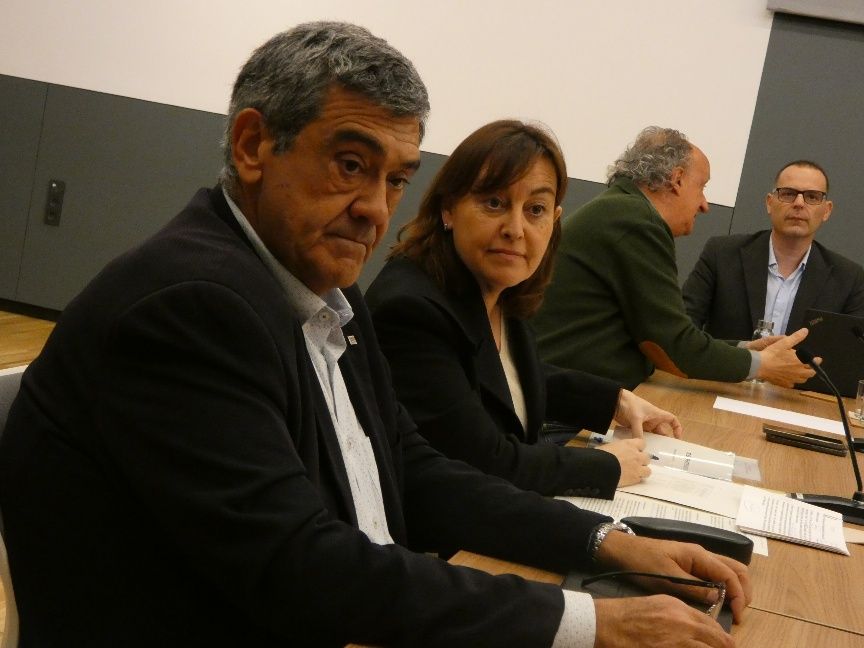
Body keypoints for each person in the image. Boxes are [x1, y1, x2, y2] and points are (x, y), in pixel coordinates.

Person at [0, 25, 749, 648]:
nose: (375, 208)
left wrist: (608, 544)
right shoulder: (190, 305)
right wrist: (595, 623)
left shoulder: (328, 291)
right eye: (350, 165)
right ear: (254, 145)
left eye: (394, 179)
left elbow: (414, 469)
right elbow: (303, 567)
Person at [366, 120, 682, 498]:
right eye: (494, 203)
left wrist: (614, 399)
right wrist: (605, 466)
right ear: (448, 208)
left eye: (535, 209)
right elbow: (484, 461)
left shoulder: (499, 288)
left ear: (554, 221)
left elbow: (500, 377)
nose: (515, 229)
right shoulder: (411, 311)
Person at [532, 126, 815, 391]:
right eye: (702, 187)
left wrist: (745, 350)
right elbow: (674, 347)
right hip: (565, 406)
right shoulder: (636, 223)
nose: (704, 205)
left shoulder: (621, 210)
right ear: (677, 179)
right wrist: (763, 365)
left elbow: (660, 339)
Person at [682, 160, 864, 340]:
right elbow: (683, 327)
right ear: (769, 203)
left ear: (827, 210)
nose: (799, 203)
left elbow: (848, 353)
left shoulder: (849, 279)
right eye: (788, 194)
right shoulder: (722, 254)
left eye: (812, 197)